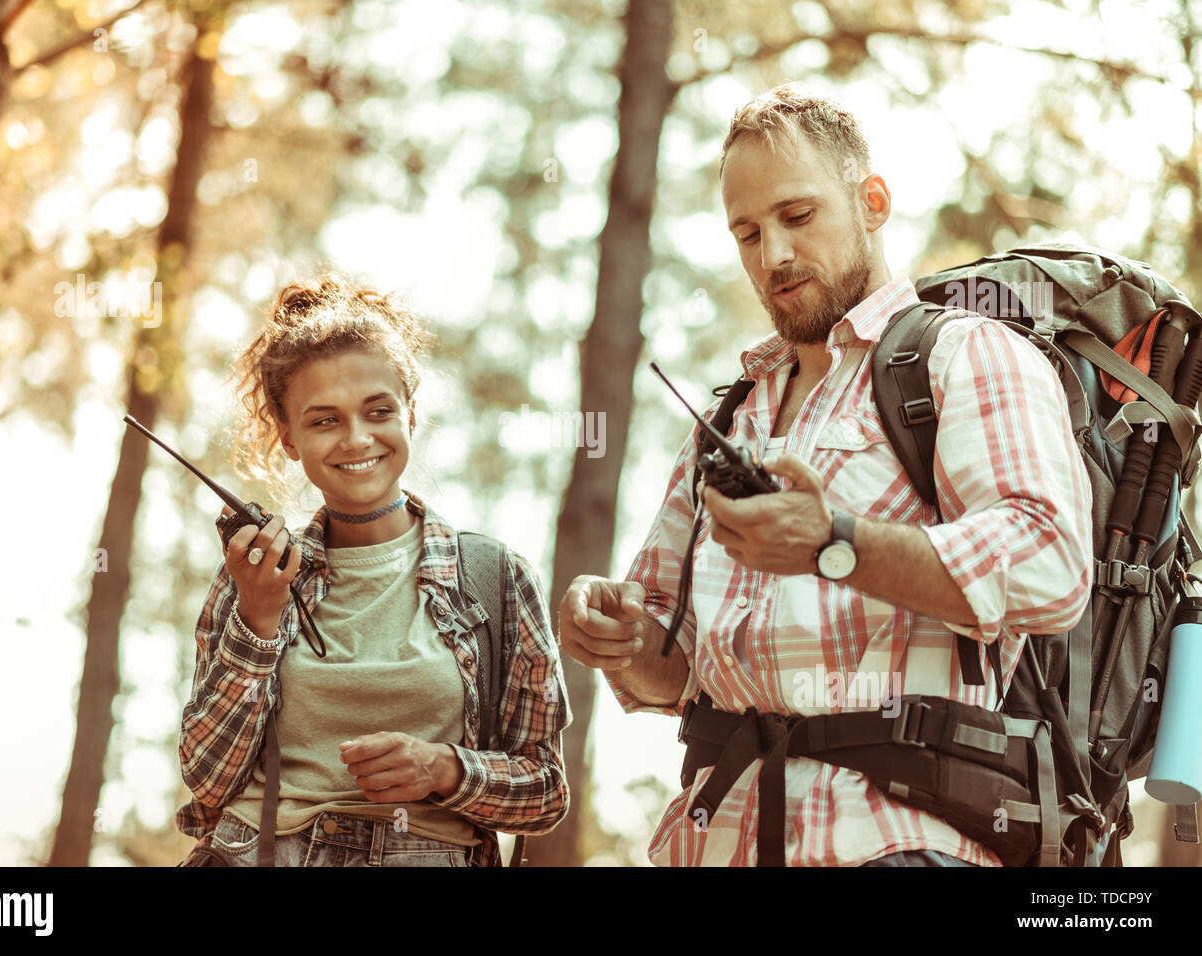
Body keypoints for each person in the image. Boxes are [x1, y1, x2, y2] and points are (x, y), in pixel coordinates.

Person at [558, 83, 1093, 866]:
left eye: (797, 216)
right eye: (747, 232)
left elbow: (1052, 564)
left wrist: (835, 544)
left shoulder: (965, 356)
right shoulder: (731, 416)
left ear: (872, 201)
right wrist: (619, 633)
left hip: (895, 845)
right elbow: (670, 667)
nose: (772, 255)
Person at [175, 272, 570, 866]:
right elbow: (206, 778)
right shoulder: (252, 573)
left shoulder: (494, 579)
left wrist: (446, 769)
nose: (356, 438)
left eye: (378, 410)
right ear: (288, 438)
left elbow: (545, 794)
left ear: (411, 414)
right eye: (324, 420)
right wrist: (258, 619)